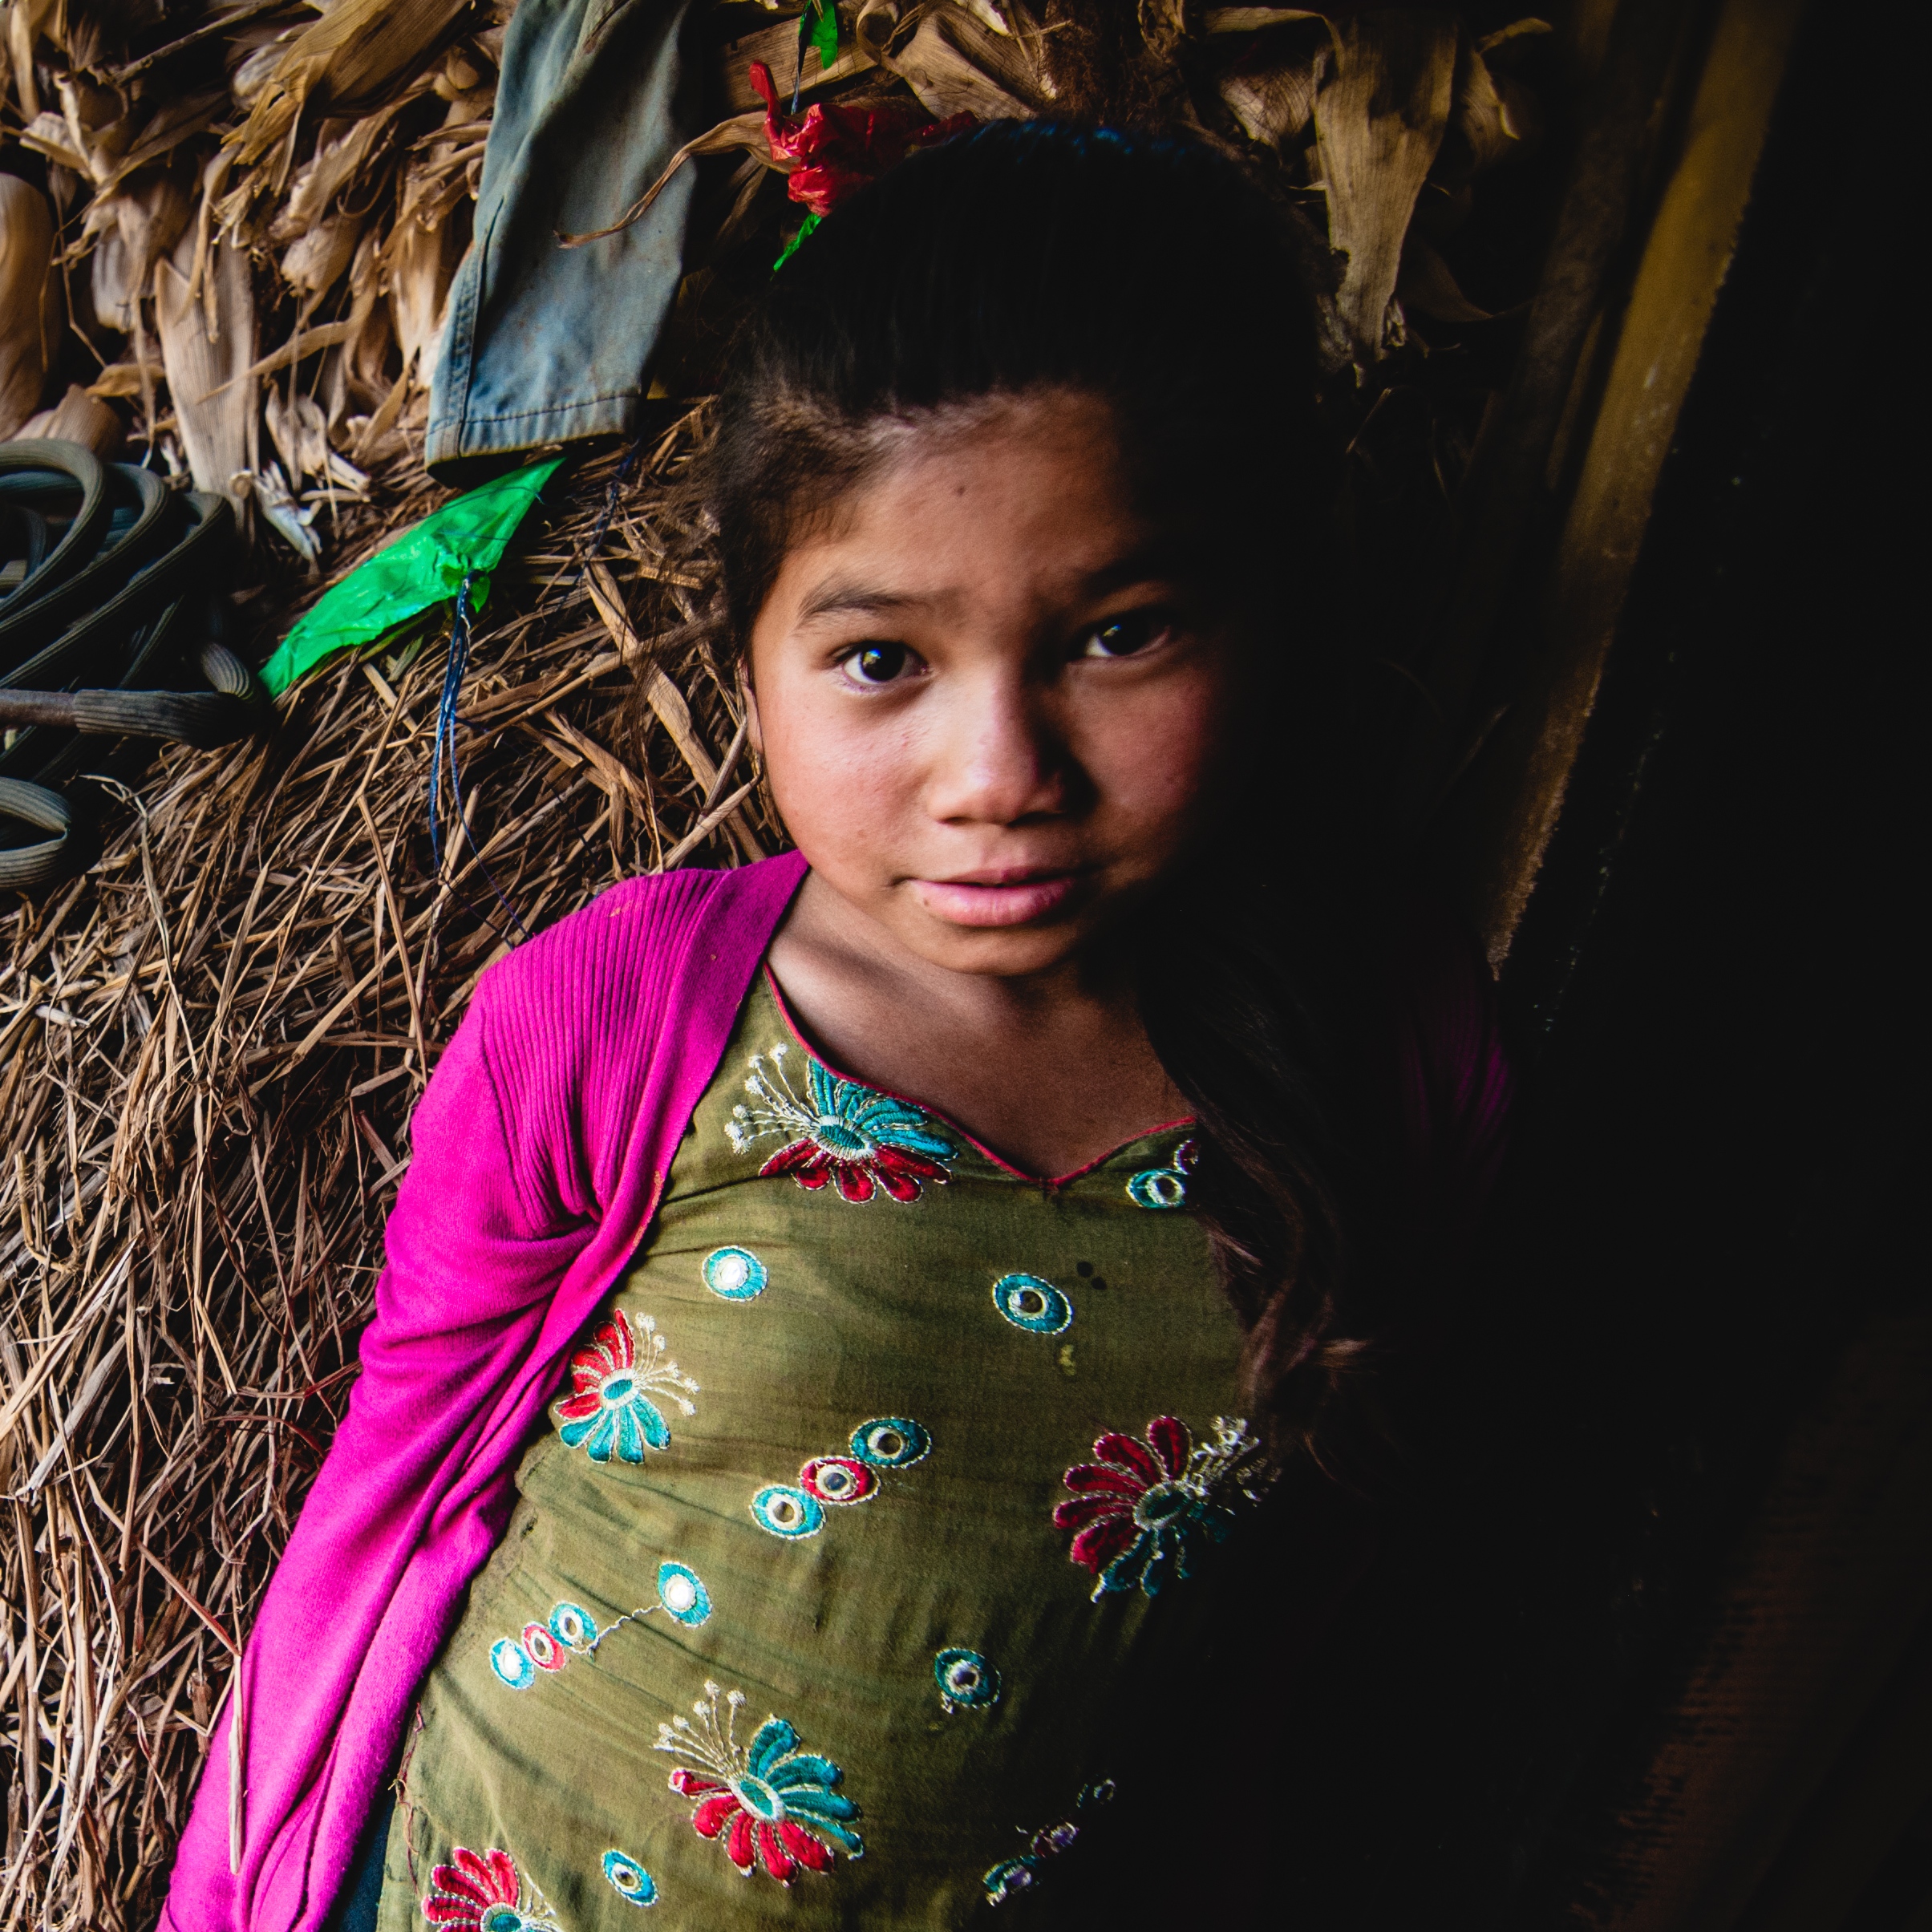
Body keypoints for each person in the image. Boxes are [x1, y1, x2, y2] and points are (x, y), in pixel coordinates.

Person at [161, 121, 1509, 1932]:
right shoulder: (624, 1018)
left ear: (1262, 624)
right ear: (751, 671)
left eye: (1118, 634)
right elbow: (389, 1498)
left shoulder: (1388, 1064)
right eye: (881, 660)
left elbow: (1277, 1656)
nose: (997, 775)